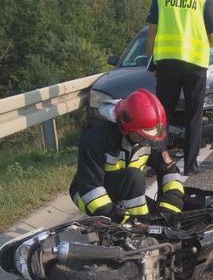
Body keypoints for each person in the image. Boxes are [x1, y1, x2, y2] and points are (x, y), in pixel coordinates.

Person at [70, 89, 185, 223]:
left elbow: (169, 171)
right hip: (88, 194)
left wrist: (171, 204)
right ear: (127, 128)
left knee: (156, 214)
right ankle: (138, 231)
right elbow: (91, 188)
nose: (148, 143)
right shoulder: (95, 140)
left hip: (127, 187)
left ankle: (142, 225)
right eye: (144, 138)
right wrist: (123, 219)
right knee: (134, 178)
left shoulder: (148, 137)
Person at [146, 0, 213, 176]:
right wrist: (198, 45)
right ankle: (190, 165)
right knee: (193, 115)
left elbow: (151, 32)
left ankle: (159, 161)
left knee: (162, 115)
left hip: (167, 63)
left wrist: (152, 60)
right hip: (195, 64)